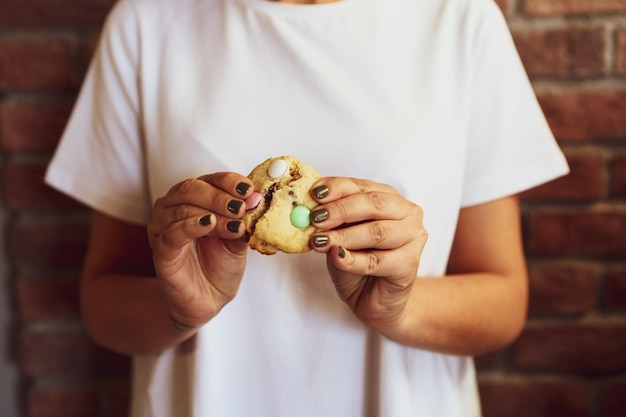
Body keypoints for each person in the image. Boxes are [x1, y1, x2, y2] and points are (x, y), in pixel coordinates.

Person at [45, 0, 569, 415]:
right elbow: (103, 299)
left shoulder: (460, 21)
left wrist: (400, 309)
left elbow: (503, 301)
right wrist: (177, 310)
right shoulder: (147, 22)